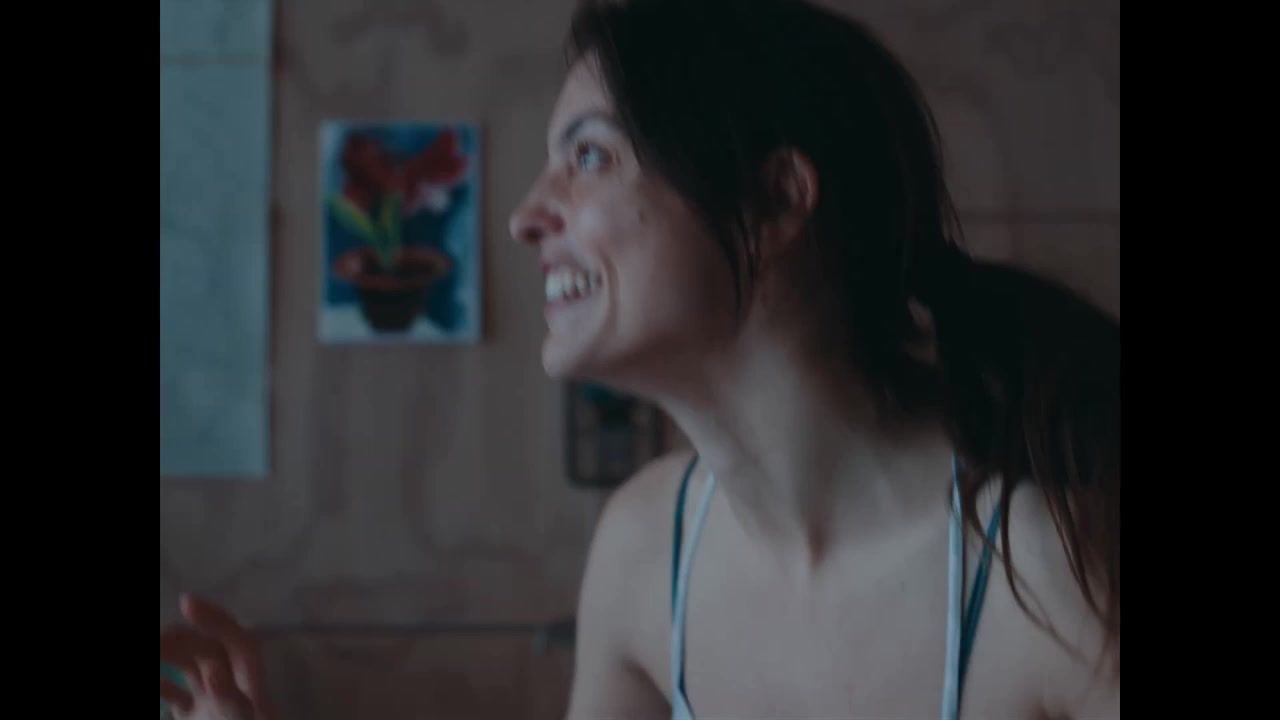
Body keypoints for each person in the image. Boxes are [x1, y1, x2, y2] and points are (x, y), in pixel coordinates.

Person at [159, 0, 1121, 717]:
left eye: (589, 157)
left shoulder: (1055, 573)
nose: (524, 216)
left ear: (776, 199)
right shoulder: (645, 547)